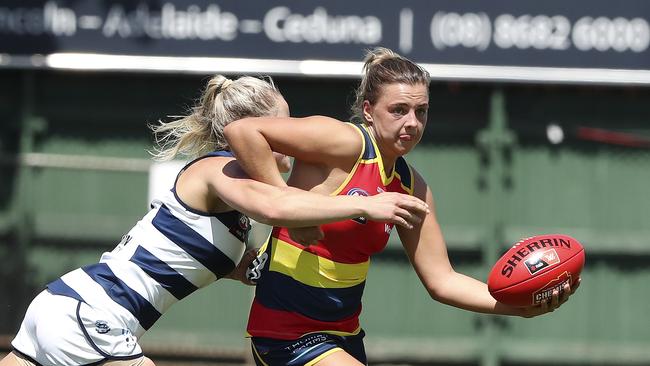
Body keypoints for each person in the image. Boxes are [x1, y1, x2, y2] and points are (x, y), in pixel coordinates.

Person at [0, 74, 430, 366]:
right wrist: (364, 205)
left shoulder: (236, 203)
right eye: (283, 125)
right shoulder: (219, 170)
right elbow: (277, 208)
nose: (291, 137)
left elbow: (235, 260)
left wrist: (269, 265)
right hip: (99, 313)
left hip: (63, 303)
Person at [223, 48, 581, 366]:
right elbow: (243, 132)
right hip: (287, 333)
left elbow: (442, 281)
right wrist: (286, 207)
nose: (412, 122)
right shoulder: (343, 141)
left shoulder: (412, 186)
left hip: (344, 337)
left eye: (420, 111)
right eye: (399, 110)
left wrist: (519, 309)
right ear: (368, 110)